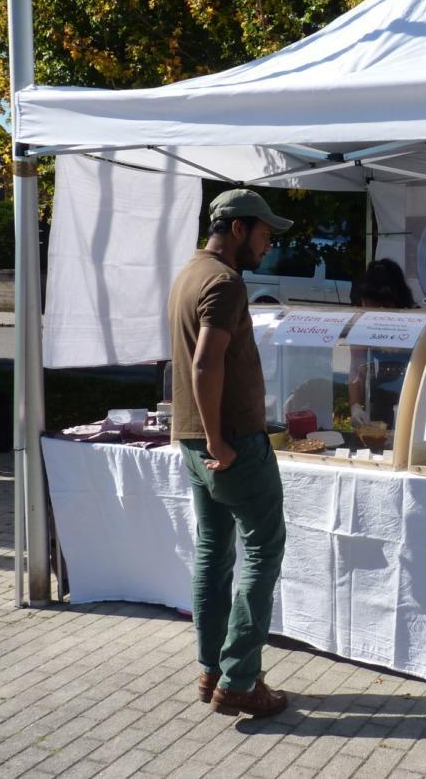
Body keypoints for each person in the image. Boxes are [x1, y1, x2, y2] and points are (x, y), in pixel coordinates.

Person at [167, 188, 293, 718]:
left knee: (212, 554)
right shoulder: (224, 282)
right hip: (231, 442)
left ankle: (212, 670)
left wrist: (206, 440)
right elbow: (203, 365)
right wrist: (221, 440)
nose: (267, 246)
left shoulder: (189, 274)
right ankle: (240, 679)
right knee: (262, 551)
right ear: (238, 229)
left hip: (196, 440)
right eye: (264, 234)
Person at [348, 259, 417, 428]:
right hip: (381, 399)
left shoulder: (418, 321)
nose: (376, 312)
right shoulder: (362, 324)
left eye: (382, 305)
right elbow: (356, 368)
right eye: (369, 305)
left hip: (414, 398)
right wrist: (355, 406)